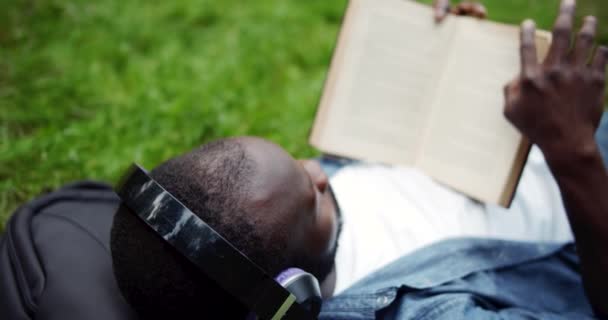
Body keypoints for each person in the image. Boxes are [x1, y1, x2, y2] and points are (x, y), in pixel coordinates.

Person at [110, 0, 608, 318]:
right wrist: (575, 152)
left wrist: (454, 61)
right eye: (313, 196)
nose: (320, 171)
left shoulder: (276, 223)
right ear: (294, 291)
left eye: (298, 160)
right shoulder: (432, 312)